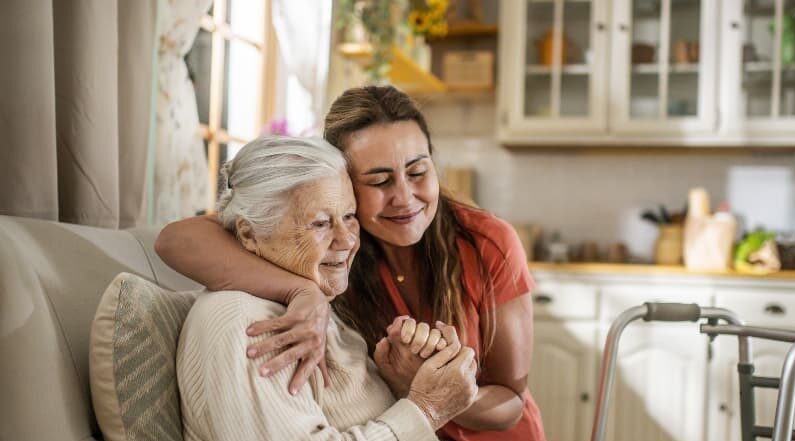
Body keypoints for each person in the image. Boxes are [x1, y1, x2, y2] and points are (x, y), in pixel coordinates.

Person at [157, 86, 546, 440]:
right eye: (378, 182)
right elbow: (178, 238)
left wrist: (435, 390)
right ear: (345, 182)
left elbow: (511, 399)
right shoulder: (322, 263)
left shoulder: (483, 242)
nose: (405, 197)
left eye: (418, 171)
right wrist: (302, 292)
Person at [176, 135, 477, 440]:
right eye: (320, 224)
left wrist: (400, 385)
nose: (347, 240)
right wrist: (426, 409)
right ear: (249, 234)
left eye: (349, 216)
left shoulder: (309, 305)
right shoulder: (247, 325)